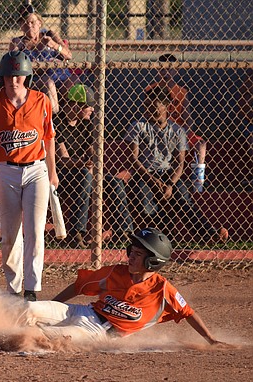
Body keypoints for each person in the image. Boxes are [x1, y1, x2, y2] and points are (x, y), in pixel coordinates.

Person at [19, 228, 232, 347]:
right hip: (83, 311)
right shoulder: (115, 272)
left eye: (138, 255)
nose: (131, 257)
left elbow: (188, 313)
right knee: (28, 308)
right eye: (132, 251)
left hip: (97, 332)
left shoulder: (163, 289)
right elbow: (78, 287)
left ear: (153, 262)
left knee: (42, 335)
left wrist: (210, 339)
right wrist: (53, 306)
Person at [0, 51, 58, 302]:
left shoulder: (41, 101)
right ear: (3, 77)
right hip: (5, 171)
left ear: (27, 76)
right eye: (9, 76)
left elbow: (49, 139)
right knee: (9, 235)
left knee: (35, 231)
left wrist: (52, 172)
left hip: (36, 170)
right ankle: (13, 289)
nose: (14, 80)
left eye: (19, 75)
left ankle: (31, 290)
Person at [125, 85, 227, 244]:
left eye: (155, 108)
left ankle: (209, 234)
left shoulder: (177, 130)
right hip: (144, 174)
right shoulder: (139, 126)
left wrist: (170, 184)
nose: (150, 111)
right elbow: (133, 159)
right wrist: (153, 180)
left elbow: (180, 163)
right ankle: (157, 239)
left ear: (167, 108)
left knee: (183, 199)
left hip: (167, 174)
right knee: (146, 204)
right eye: (147, 107)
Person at [55, 84, 132, 248]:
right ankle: (77, 233)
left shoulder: (86, 124)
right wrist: (85, 164)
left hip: (84, 172)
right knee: (84, 176)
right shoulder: (57, 122)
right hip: (62, 176)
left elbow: (93, 153)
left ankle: (123, 232)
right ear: (76, 105)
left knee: (115, 182)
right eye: (88, 107)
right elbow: (63, 159)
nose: (91, 111)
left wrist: (91, 161)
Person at [146, 53, 207, 192]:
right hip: (159, 130)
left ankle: (198, 184)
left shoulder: (182, 92)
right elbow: (148, 115)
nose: (165, 73)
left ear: (176, 71)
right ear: (157, 70)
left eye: (169, 69)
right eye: (162, 69)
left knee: (201, 145)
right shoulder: (151, 90)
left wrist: (183, 133)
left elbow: (188, 118)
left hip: (179, 131)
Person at [9, 3, 73, 115]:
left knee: (75, 83)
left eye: (32, 22)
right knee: (49, 84)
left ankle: (71, 122)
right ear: (21, 26)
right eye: (25, 22)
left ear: (39, 23)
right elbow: (12, 63)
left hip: (60, 75)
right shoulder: (18, 42)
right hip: (37, 78)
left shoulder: (50, 35)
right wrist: (17, 49)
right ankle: (55, 121)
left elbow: (68, 55)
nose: (29, 25)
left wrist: (54, 45)